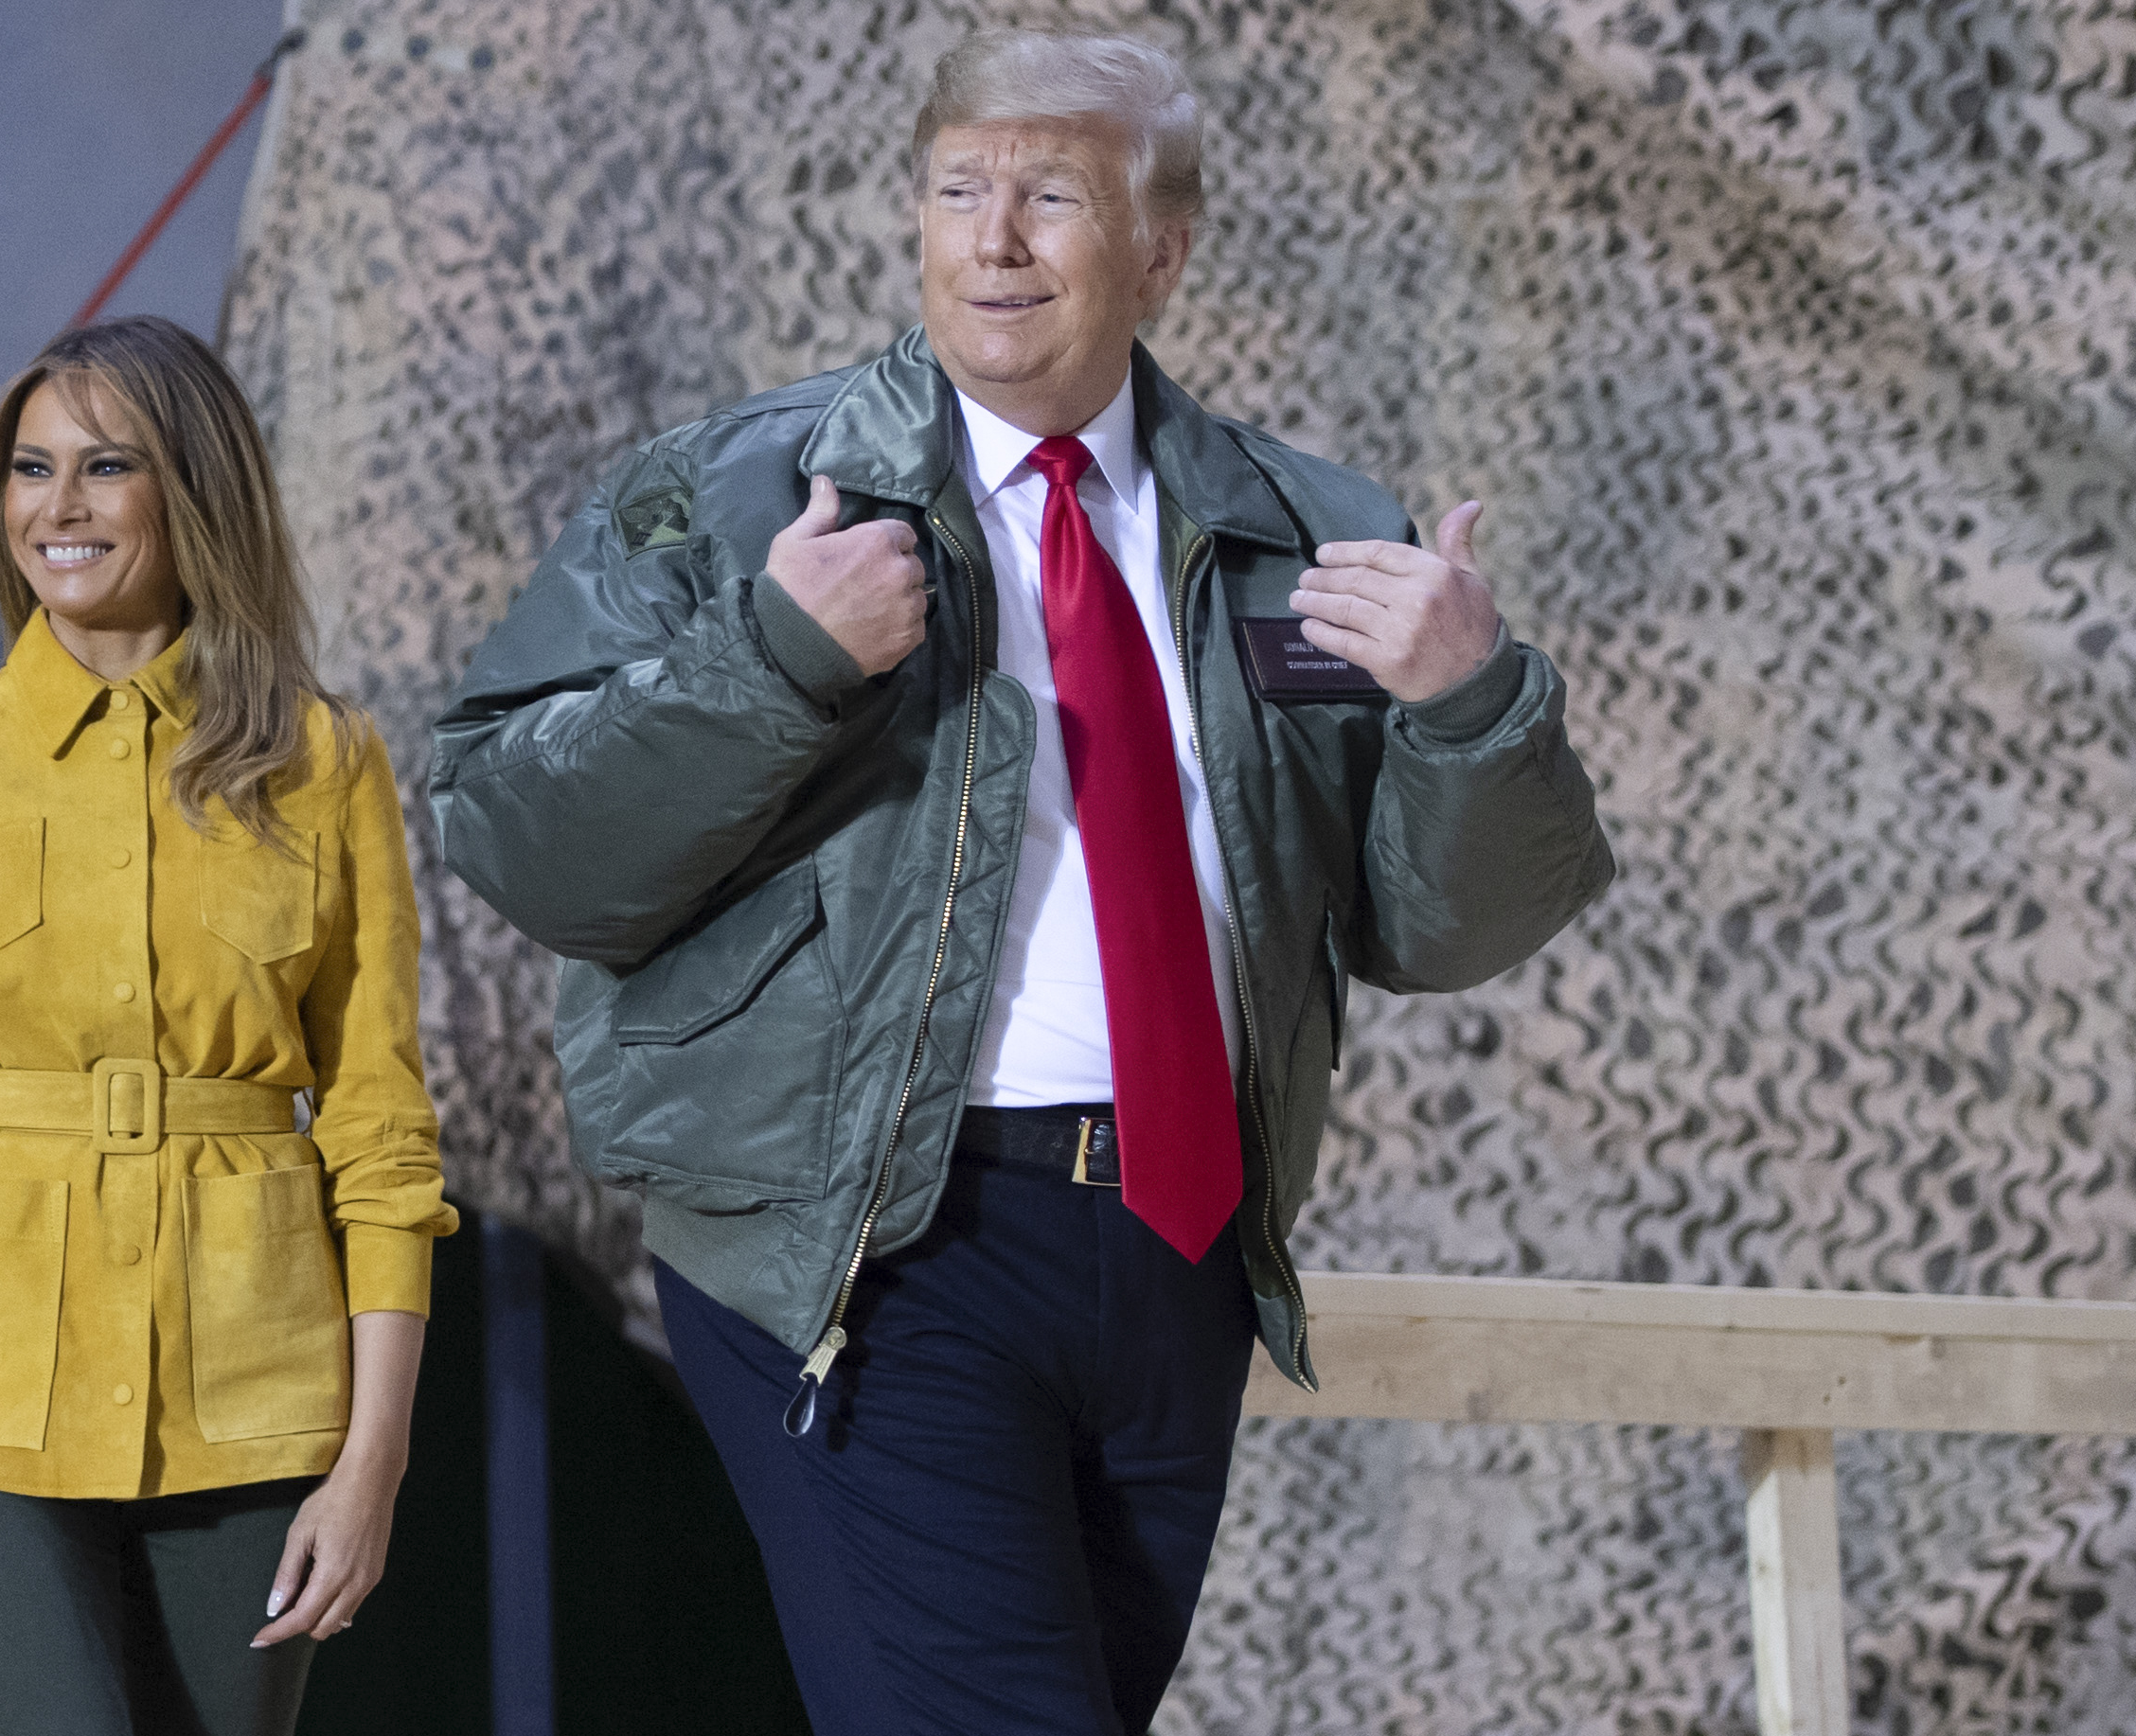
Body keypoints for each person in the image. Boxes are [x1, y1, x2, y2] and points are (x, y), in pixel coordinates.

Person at [432, 29, 1613, 1734]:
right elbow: (519, 839)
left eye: (1049, 196)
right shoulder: (735, 496)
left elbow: (1433, 924)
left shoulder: (1303, 530)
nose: (991, 240)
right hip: (874, 1245)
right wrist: (770, 657)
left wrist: (1470, 707)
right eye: (957, 190)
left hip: (1174, 1251)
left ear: (1159, 251)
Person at [0, 315, 454, 1735]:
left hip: (258, 1395)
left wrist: (372, 1459)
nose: (57, 507)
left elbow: (383, 1136)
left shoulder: (325, 762)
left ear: (193, 489)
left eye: (105, 466)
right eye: (29, 469)